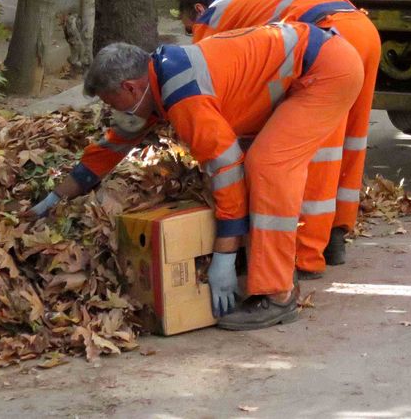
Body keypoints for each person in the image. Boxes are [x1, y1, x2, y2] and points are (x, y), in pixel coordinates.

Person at [28, 23, 362, 331]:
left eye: (112, 102)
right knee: (254, 162)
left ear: (130, 88)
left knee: (267, 165)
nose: (116, 112)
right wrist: (55, 197)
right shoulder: (155, 82)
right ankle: (261, 268)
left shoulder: (184, 97)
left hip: (326, 70)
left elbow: (227, 169)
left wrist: (224, 256)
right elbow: (112, 146)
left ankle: (278, 295)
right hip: (311, 64)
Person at [176, 0, 381, 277]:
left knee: (316, 153)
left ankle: (305, 254)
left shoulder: (211, 19)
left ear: (198, 11)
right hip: (361, 29)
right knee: (350, 138)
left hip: (328, 40)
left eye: (188, 29)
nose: (192, 37)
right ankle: (336, 235)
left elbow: (206, 86)